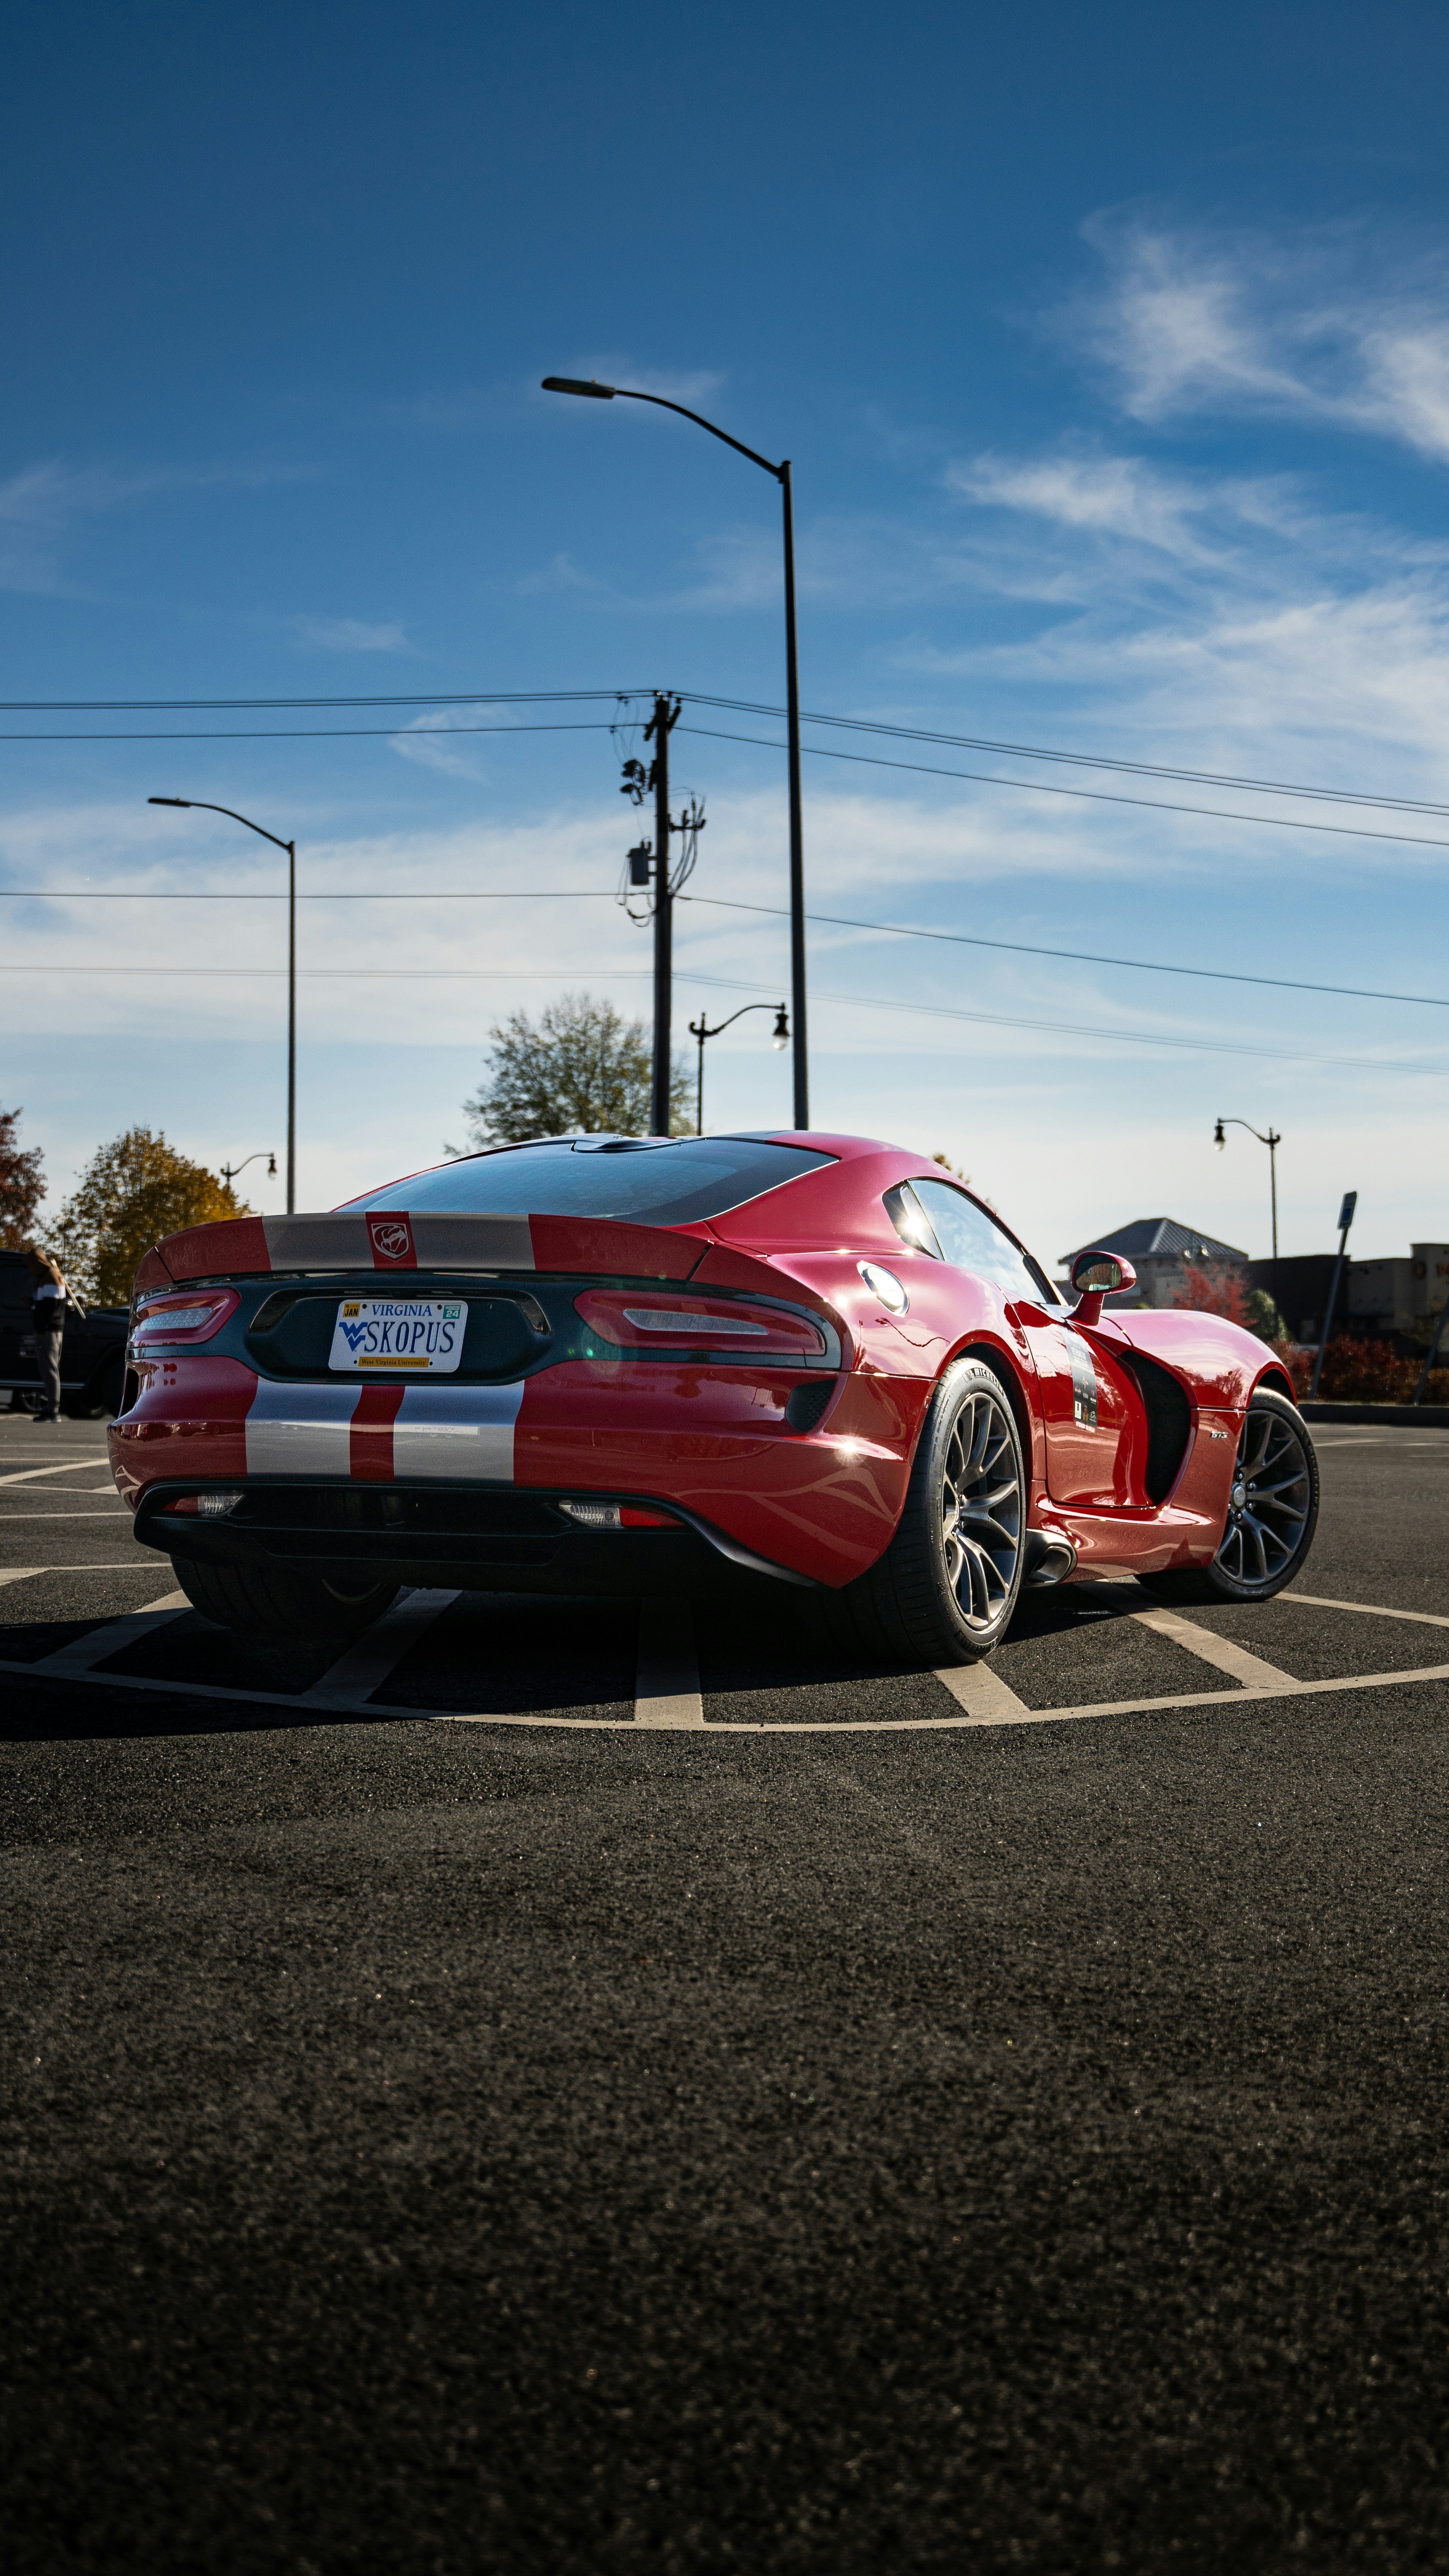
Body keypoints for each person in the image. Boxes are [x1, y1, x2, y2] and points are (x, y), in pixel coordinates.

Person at [23, 1244, 67, 1424]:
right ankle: (52, 1409)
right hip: (50, 1330)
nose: (30, 1270)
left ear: (38, 1263)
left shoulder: (50, 1277)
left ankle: (53, 1411)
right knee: (50, 1368)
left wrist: (41, 1330)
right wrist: (32, 1302)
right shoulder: (47, 1277)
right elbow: (46, 1305)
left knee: (50, 1369)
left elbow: (50, 1308)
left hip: (49, 1331)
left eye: (31, 1265)